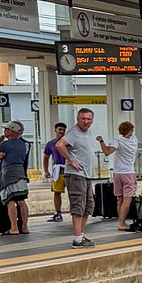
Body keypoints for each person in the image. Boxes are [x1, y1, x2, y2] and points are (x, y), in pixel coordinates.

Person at [56, 107, 111, 249]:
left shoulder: (87, 132)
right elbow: (59, 145)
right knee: (78, 205)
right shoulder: (73, 133)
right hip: (76, 175)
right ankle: (77, 238)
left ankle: (80, 234)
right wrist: (71, 160)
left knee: (88, 206)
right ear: (78, 119)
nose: (86, 122)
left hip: (86, 175)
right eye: (83, 119)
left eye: (89, 119)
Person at [0, 121, 31, 236]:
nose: (4, 131)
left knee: (10, 201)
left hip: (9, 173)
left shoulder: (5, 144)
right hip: (20, 172)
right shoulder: (23, 144)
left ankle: (14, 228)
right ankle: (25, 227)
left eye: (7, 129)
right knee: (21, 200)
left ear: (12, 131)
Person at [111, 120, 140, 229]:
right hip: (128, 172)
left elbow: (109, 151)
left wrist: (101, 142)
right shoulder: (134, 140)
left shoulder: (117, 140)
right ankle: (122, 223)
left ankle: (121, 221)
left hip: (117, 173)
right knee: (128, 199)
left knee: (121, 199)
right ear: (130, 130)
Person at [43, 122, 67, 223]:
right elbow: (46, 158)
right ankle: (58, 212)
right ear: (55, 130)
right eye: (59, 129)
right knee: (57, 192)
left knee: (74, 192)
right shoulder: (51, 144)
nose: (61, 132)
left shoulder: (68, 142)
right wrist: (46, 171)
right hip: (58, 170)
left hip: (70, 170)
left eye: (63, 130)